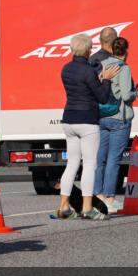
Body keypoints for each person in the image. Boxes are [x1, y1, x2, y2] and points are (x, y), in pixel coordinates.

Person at [53, 34, 120, 220]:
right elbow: (102, 97)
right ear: (89, 50)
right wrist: (105, 79)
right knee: (90, 164)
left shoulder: (65, 69)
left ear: (72, 49)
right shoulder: (89, 71)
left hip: (69, 119)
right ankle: (87, 207)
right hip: (87, 120)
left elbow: (78, 89)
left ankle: (64, 206)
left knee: (72, 163)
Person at [93, 37, 138, 213]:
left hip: (102, 116)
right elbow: (127, 95)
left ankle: (97, 196)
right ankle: (110, 198)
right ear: (126, 51)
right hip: (119, 118)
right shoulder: (124, 68)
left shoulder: (102, 64)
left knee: (100, 159)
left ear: (112, 49)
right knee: (114, 159)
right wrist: (137, 92)